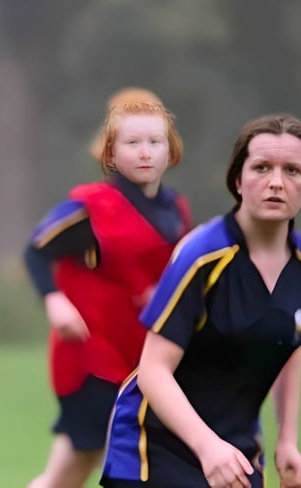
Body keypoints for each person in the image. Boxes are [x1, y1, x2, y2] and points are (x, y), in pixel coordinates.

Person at [101, 113, 301, 487]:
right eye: (262, 167)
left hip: (236, 450)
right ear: (238, 180)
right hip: (156, 449)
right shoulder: (203, 255)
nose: (276, 182)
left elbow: (291, 340)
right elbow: (153, 370)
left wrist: (287, 439)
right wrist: (207, 448)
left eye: (292, 170)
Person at [24, 99, 192, 488]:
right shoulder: (90, 207)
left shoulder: (176, 209)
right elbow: (36, 250)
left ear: (171, 150)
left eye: (155, 141)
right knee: (77, 461)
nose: (145, 151)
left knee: (142, 458)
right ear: (111, 154)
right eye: (132, 142)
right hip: (92, 354)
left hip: (144, 355)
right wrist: (54, 300)